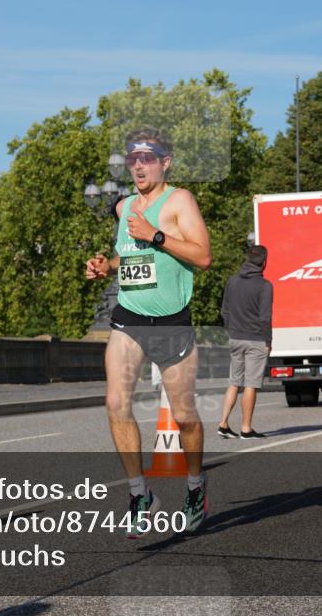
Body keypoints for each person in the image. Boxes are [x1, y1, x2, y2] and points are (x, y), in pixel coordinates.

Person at [85, 127, 212, 536]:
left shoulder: (179, 201)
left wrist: (156, 235)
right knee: (115, 402)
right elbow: (127, 257)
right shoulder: (125, 208)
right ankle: (140, 494)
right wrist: (106, 267)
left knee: (185, 417)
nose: (139, 166)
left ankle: (195, 486)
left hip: (172, 322)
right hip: (130, 318)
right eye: (133, 159)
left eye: (148, 158)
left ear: (165, 162)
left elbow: (203, 257)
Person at [218, 244, 273, 440]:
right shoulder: (265, 286)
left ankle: (223, 424)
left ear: (247, 259)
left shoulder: (232, 281)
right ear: (264, 263)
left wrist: (232, 330)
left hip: (235, 338)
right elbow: (265, 318)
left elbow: (224, 311)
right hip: (256, 340)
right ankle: (246, 429)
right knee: (251, 384)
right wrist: (268, 341)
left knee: (234, 382)